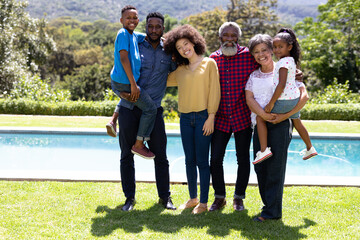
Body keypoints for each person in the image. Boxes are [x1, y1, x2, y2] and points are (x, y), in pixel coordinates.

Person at [114, 12, 176, 211]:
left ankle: (165, 197)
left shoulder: (170, 50)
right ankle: (129, 198)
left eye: (158, 27)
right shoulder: (134, 43)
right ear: (145, 27)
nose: (154, 30)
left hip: (153, 110)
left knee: (161, 156)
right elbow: (118, 67)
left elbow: (182, 69)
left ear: (163, 28)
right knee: (126, 155)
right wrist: (119, 93)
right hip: (129, 109)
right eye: (151, 26)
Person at [245, 33, 310, 222]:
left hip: (281, 125)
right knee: (260, 167)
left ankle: (272, 212)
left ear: (272, 50)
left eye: (264, 50)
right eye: (256, 52)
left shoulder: (287, 69)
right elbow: (249, 98)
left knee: (275, 168)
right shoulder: (253, 75)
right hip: (260, 125)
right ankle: (268, 205)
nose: (261, 54)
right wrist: (263, 115)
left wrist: (284, 116)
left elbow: (303, 95)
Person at [163, 24, 221, 214]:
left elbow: (215, 91)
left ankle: (203, 202)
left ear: (194, 42)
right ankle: (192, 198)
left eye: (185, 44)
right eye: (179, 48)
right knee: (189, 160)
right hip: (185, 118)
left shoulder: (209, 63)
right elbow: (161, 79)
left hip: (204, 116)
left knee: (202, 161)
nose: (183, 49)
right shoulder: (179, 69)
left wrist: (211, 116)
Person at [208, 22, 258, 212]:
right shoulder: (213, 59)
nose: (229, 39)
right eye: (226, 36)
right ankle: (219, 197)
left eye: (233, 35)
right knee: (215, 160)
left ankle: (239, 198)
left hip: (242, 117)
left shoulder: (248, 56)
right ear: (220, 38)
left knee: (243, 159)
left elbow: (268, 66)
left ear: (238, 38)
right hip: (220, 118)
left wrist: (294, 74)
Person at [252, 28, 317, 164]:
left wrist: (271, 103)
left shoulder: (282, 63)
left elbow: (280, 85)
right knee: (297, 122)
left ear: (289, 47)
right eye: (275, 47)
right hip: (293, 99)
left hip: (284, 100)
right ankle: (310, 147)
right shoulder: (292, 61)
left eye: (280, 47)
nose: (277, 50)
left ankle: (263, 150)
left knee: (260, 118)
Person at [108, 5, 157, 160]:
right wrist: (133, 85)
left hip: (121, 82)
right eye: (128, 18)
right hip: (126, 82)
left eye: (135, 17)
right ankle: (139, 144)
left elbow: (151, 36)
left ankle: (113, 120)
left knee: (128, 99)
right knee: (150, 109)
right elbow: (123, 58)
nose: (132, 20)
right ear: (121, 20)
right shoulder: (122, 33)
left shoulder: (134, 35)